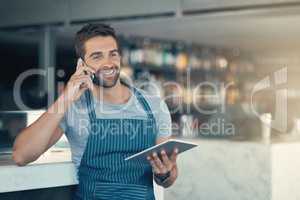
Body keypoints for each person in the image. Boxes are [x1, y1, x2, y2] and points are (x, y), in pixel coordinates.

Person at [12, 23, 178, 200]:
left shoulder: (154, 105)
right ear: (82, 64)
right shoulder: (73, 107)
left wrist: (165, 174)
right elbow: (22, 155)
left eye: (112, 54)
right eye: (97, 56)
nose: (108, 63)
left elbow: (169, 178)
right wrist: (66, 97)